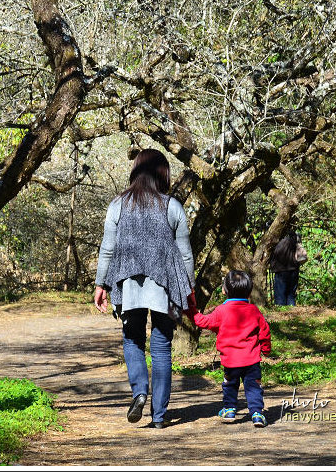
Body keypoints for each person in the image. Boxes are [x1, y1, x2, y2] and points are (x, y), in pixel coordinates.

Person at [93, 148, 195, 429]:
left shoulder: (118, 205)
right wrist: (188, 289)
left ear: (135, 171)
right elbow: (185, 255)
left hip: (128, 285)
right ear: (164, 174)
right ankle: (159, 417)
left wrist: (101, 284)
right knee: (162, 348)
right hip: (164, 285)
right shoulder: (172, 206)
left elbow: (107, 249)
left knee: (132, 340)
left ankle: (139, 392)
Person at [185, 270, 271, 426]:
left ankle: (230, 410)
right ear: (250, 290)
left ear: (224, 290)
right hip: (252, 360)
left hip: (230, 361)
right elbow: (264, 331)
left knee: (230, 385)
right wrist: (266, 349)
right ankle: (257, 414)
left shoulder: (221, 311)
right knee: (253, 386)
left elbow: (202, 322)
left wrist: (190, 310)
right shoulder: (253, 310)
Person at [269, 228, 305, 306]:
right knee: (291, 295)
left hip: (280, 271)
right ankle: (292, 314)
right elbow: (302, 256)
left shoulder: (276, 241)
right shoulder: (295, 240)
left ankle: (281, 315)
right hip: (294, 270)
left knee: (280, 295)